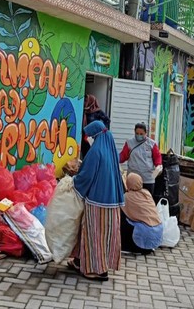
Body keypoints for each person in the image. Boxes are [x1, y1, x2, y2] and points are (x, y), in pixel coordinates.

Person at [69, 120, 124, 281]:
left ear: (95, 135)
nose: (88, 139)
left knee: (94, 235)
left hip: (97, 202)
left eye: (89, 136)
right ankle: (79, 260)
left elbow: (86, 176)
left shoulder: (95, 151)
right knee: (104, 236)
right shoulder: (111, 149)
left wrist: (74, 183)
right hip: (113, 203)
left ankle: (97, 270)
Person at [121, 173, 164, 254]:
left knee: (122, 219)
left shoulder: (126, 196)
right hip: (158, 231)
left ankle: (128, 246)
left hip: (143, 235)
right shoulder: (146, 193)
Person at [119, 123, 163, 198]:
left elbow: (157, 158)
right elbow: (123, 156)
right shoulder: (129, 143)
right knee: (133, 201)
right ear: (134, 132)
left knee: (146, 201)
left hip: (147, 180)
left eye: (141, 134)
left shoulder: (152, 144)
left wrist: (157, 169)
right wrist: (113, 159)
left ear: (146, 133)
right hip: (133, 181)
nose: (139, 135)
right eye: (137, 133)